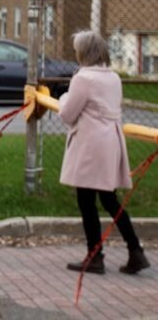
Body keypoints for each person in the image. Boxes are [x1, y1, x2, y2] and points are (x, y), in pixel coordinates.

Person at [59, 30, 150, 275]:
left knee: (86, 200)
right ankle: (135, 250)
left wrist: (64, 96)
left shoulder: (82, 78)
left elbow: (68, 114)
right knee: (109, 199)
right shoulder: (113, 77)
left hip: (90, 144)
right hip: (110, 141)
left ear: (84, 52)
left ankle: (95, 255)